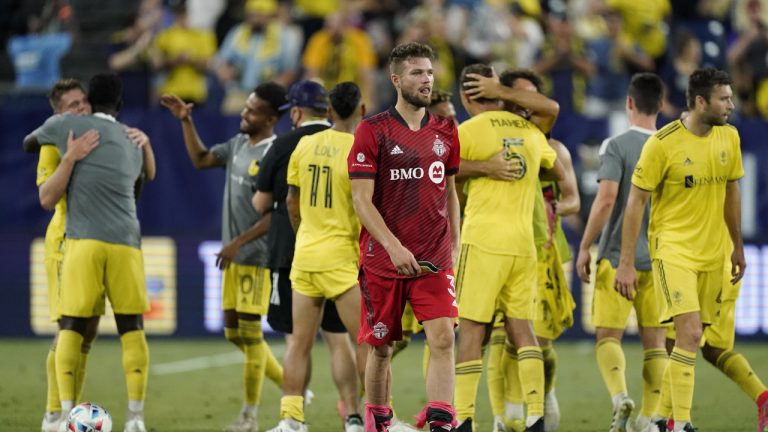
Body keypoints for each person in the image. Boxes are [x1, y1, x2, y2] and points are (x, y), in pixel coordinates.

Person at [615, 68, 746, 432]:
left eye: (730, 98)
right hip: (673, 250)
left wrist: (737, 246)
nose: (730, 105)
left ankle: (659, 418)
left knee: (691, 338)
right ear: (700, 101)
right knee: (687, 333)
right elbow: (636, 202)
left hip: (713, 252)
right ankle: (680, 424)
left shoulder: (729, 139)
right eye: (724, 99)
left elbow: (732, 192)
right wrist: (626, 263)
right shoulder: (662, 143)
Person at [26, 77, 155, 432]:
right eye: (72, 107)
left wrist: (143, 145)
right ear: (57, 114)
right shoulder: (56, 141)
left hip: (94, 238)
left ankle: (72, 415)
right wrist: (70, 157)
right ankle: (54, 415)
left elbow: (139, 182)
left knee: (87, 335)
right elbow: (46, 199)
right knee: (67, 329)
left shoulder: (101, 133)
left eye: (83, 102)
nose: (80, 110)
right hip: (65, 242)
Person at [348, 41, 461, 432]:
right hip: (384, 261)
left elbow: (449, 191)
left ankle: (441, 424)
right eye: (417, 73)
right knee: (381, 348)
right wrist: (393, 247)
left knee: (443, 339)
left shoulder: (446, 131)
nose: (426, 80)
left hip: (433, 257)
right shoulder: (372, 130)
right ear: (396, 79)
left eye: (429, 72)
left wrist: (456, 245)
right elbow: (361, 201)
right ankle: (377, 422)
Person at [160, 82, 287, 432]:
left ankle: (249, 416)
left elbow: (278, 213)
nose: (243, 114)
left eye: (252, 110)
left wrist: (238, 243)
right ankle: (293, 385)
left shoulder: (276, 154)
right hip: (233, 258)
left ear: (271, 118)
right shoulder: (236, 145)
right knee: (235, 335)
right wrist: (186, 121)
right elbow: (201, 159)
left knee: (249, 335)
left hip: (256, 258)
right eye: (245, 107)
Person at [453, 64, 560, 432]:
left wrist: (480, 167)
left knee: (470, 331)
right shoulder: (531, 132)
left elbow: (442, 169)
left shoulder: (467, 130)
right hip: (523, 245)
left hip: (483, 241)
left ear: (467, 97)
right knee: (523, 330)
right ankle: (535, 415)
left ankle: (464, 418)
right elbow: (554, 168)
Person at [252, 80, 357, 425]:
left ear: (296, 111)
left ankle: (291, 419)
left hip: (300, 256)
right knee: (356, 341)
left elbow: (281, 202)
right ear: (361, 111)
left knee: (298, 342)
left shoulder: (292, 146)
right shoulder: (359, 147)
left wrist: (303, 233)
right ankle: (360, 415)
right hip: (342, 257)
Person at [575, 73, 667, 432]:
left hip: (617, 256)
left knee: (608, 337)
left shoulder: (615, 145)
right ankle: (649, 417)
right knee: (655, 342)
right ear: (661, 105)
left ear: (629, 103)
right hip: (660, 259)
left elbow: (607, 199)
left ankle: (619, 398)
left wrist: (585, 246)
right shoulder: (671, 146)